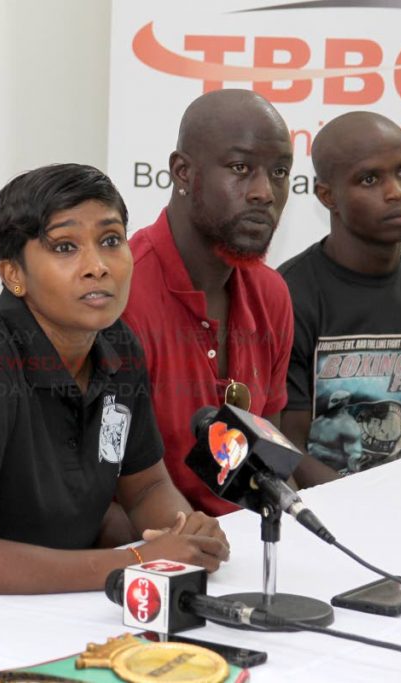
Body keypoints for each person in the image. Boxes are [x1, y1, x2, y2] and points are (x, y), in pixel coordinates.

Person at [0, 164, 230, 611]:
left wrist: (185, 532)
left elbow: (145, 488)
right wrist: (138, 559)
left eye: (111, 240)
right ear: (13, 275)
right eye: (65, 247)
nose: (97, 267)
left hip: (50, 605)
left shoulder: (118, 344)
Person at [121, 89, 296, 516]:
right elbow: (98, 491)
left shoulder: (272, 294)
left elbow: (269, 460)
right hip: (149, 555)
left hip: (252, 545)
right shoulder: (120, 294)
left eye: (279, 172)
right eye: (240, 168)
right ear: (182, 172)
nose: (264, 192)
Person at [279, 112, 401, 487]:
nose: (397, 191)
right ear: (327, 196)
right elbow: (287, 450)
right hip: (323, 517)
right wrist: (367, 510)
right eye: (370, 179)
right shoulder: (288, 295)